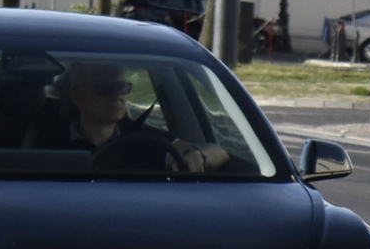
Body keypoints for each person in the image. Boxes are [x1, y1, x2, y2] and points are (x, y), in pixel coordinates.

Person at [25, 61, 226, 171]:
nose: (117, 96)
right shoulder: (47, 140)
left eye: (121, 86)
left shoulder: (146, 140)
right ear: (76, 96)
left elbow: (220, 152)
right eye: (104, 89)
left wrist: (197, 155)